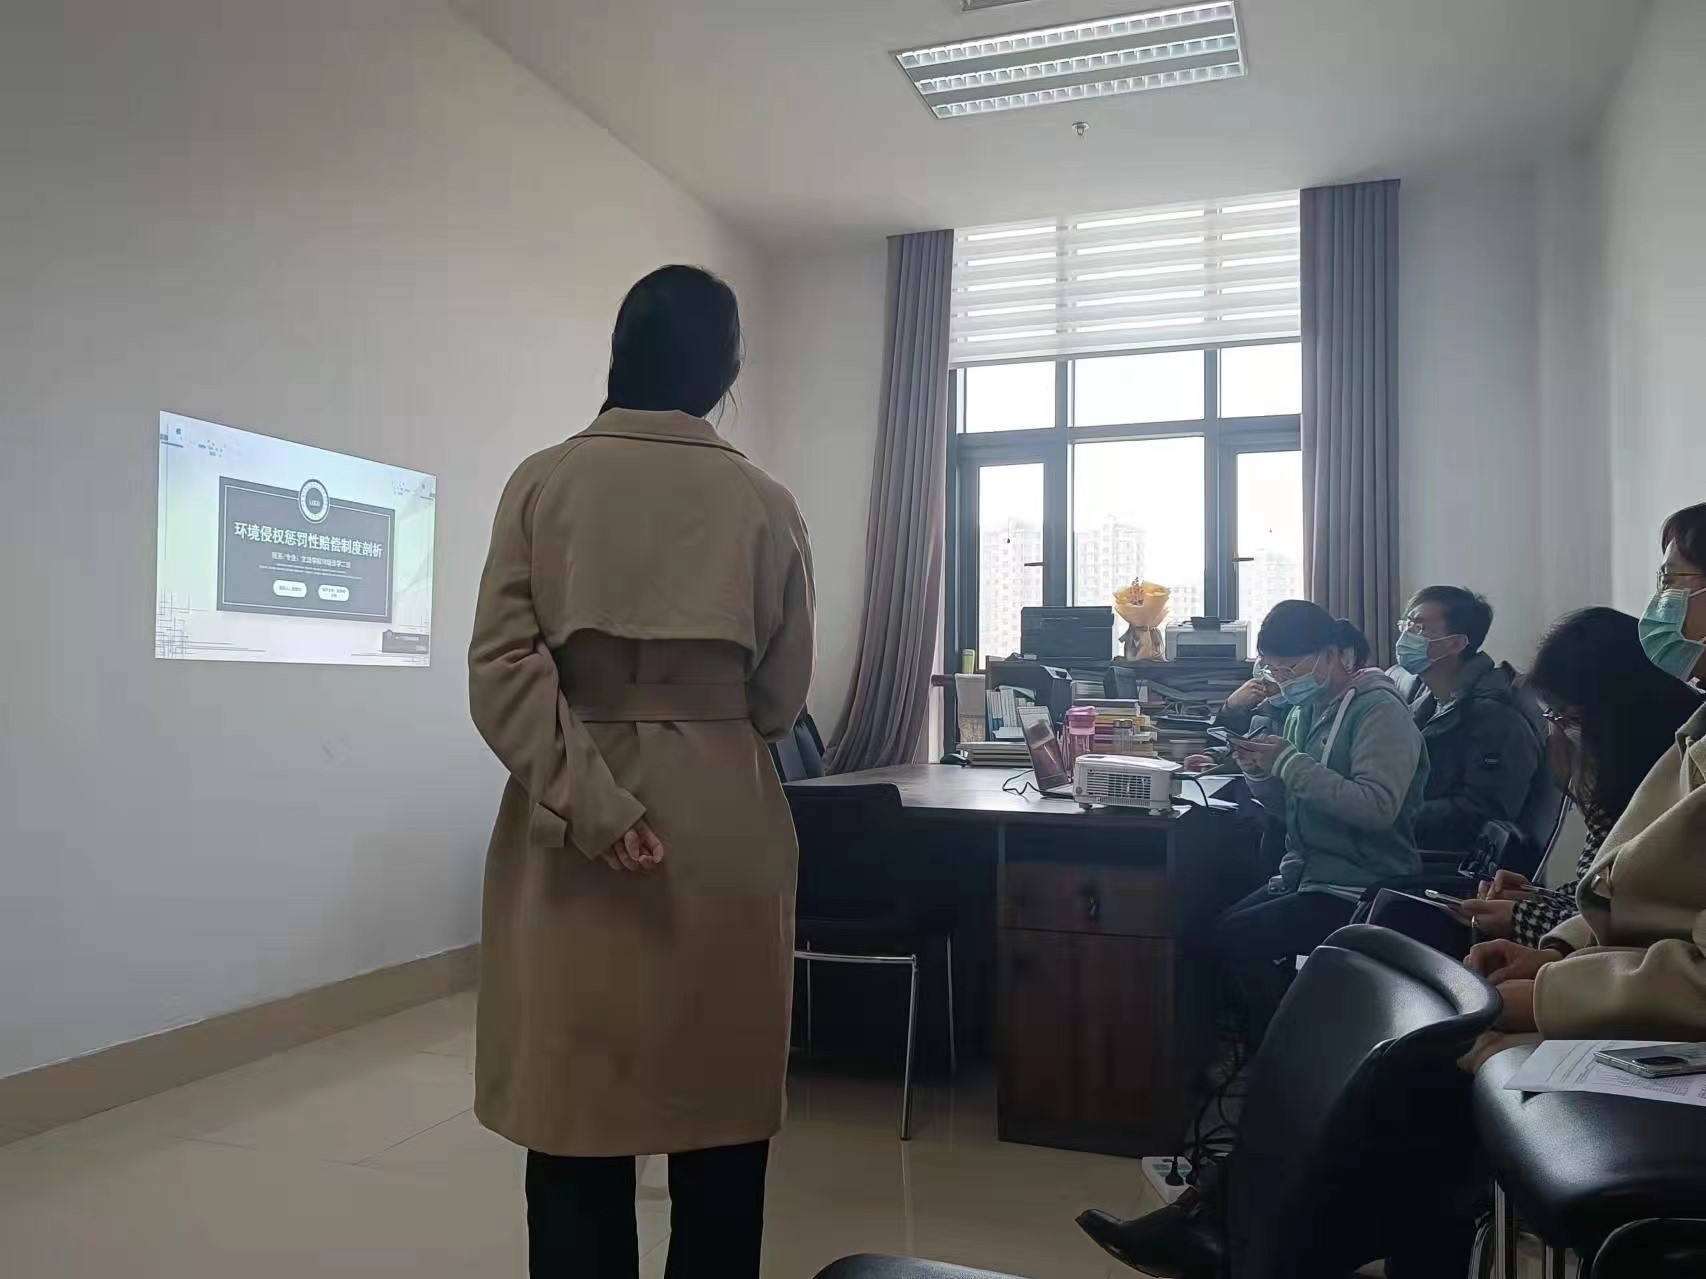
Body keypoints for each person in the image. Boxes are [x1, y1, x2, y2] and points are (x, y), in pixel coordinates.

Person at [468, 265, 815, 1279]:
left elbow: (501, 668)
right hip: (725, 819)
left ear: (619, 353)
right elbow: (780, 698)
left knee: (576, 1126)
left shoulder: (543, 482)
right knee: (722, 1128)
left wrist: (598, 803)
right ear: (726, 373)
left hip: (574, 832)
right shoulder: (767, 501)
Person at [1467, 502, 1706, 1042]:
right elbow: (1626, 901)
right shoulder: (1693, 734)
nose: (1659, 605)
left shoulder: (1647, 751)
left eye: (1674, 582)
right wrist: (1554, 951)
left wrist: (1550, 991)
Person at [1210, 602, 1429, 1046]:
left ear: (1332, 655)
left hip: (1362, 882)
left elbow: (1376, 807)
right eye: (1274, 671)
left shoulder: (1379, 711)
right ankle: (1273, 1044)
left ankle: (1282, 1054)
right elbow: (1292, 806)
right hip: (1308, 872)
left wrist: (1288, 762)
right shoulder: (1304, 711)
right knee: (1218, 927)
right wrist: (1259, 774)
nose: (1284, 681)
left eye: (1291, 669)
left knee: (1237, 938)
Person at [1453, 608, 1702, 945]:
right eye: (1553, 716)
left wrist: (1523, 919)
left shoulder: (1680, 781)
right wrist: (1537, 898)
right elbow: (1600, 892)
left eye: (1567, 718)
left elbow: (1644, 926)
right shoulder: (1618, 774)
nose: (1558, 731)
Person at [1391, 585, 1543, 852]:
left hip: (1439, 859)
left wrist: (1392, 816)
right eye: (1406, 625)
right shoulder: (1426, 697)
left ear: (1456, 643)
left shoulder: (1495, 717)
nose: (1406, 637)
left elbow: (1482, 812)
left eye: (1419, 628)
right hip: (1404, 844)